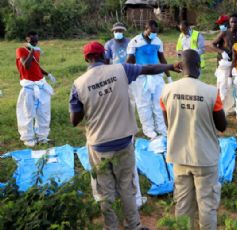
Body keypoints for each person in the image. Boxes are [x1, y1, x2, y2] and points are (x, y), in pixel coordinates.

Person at [69, 41, 180, 229]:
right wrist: (170, 66)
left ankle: (111, 227)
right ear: (104, 56)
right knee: (127, 187)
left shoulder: (78, 84)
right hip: (123, 141)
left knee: (105, 190)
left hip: (99, 145)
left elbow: (74, 120)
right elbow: (149, 68)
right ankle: (134, 225)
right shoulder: (121, 70)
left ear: (86, 59)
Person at [160, 49, 226, 229]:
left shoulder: (167, 91)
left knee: (182, 204)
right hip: (205, 157)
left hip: (179, 156)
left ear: (180, 66)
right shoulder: (212, 92)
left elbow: (169, 124)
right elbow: (222, 126)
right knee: (207, 205)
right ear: (198, 67)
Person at [104, 22, 146, 208]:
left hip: (128, 74)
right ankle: (131, 200)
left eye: (121, 30)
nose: (118, 33)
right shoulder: (109, 45)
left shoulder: (130, 42)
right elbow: (107, 61)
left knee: (132, 101)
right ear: (112, 32)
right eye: (116, 31)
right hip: (114, 77)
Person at [126, 20, 171, 139]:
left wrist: (169, 76)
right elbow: (129, 60)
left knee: (159, 102)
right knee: (143, 104)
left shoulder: (158, 41)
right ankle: (148, 129)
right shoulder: (135, 42)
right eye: (152, 32)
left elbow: (162, 59)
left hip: (157, 76)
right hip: (141, 77)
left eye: (156, 32)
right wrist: (125, 75)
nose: (154, 34)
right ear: (146, 29)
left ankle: (161, 127)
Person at [15, 31, 56, 147]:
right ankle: (28, 138)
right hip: (29, 87)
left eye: (36, 41)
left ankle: (42, 137)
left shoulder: (36, 51)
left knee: (44, 112)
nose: (35, 43)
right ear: (27, 39)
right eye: (32, 41)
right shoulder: (21, 50)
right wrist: (32, 50)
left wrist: (47, 74)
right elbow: (26, 66)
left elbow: (36, 66)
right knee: (28, 113)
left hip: (41, 84)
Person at [212, 14, 237, 116]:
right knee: (222, 88)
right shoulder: (224, 33)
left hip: (233, 66)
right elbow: (213, 44)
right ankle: (219, 111)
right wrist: (222, 52)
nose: (233, 24)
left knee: (231, 88)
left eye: (235, 22)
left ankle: (228, 108)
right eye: (231, 22)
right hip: (223, 66)